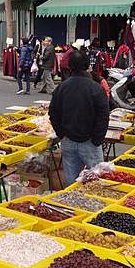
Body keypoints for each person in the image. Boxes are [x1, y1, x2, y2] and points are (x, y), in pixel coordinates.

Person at [49, 50, 109, 185]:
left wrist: (61, 134)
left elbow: (53, 113)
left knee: (72, 183)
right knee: (97, 181)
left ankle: (73, 205)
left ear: (70, 66)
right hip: (89, 143)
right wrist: (97, 138)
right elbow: (103, 115)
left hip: (69, 141)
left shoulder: (62, 87)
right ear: (87, 65)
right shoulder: (95, 88)